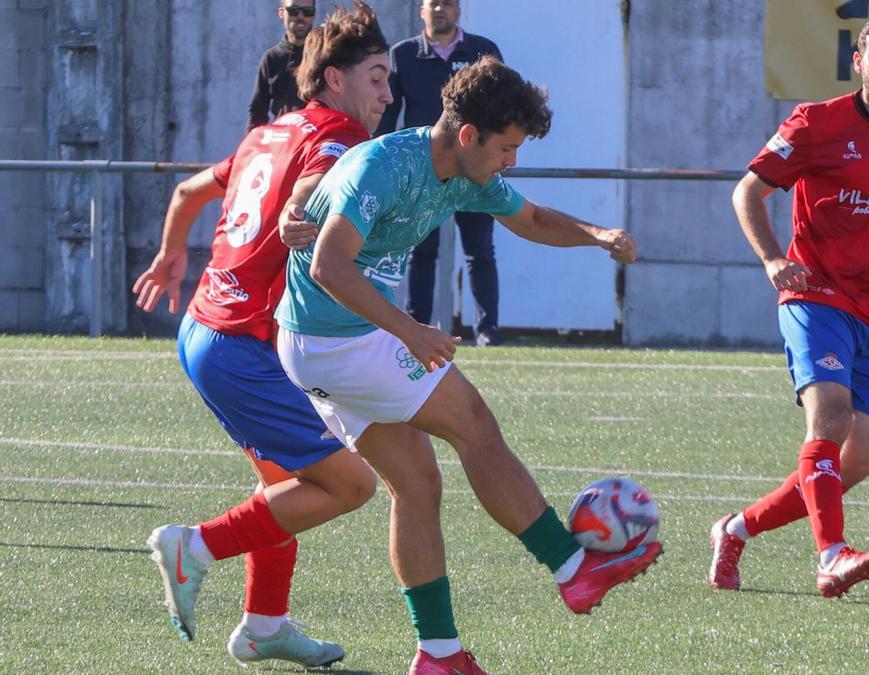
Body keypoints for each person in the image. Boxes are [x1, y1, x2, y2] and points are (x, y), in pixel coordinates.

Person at [273, 55, 660, 674]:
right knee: (473, 423)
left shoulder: (466, 172)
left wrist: (597, 235)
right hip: (338, 340)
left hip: (319, 344)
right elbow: (328, 264)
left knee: (417, 485)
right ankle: (573, 569)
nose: (511, 162)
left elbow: (531, 218)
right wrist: (410, 331)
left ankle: (438, 654)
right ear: (468, 135)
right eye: (506, 148)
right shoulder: (385, 167)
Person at [135, 2, 394, 667]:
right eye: (376, 78)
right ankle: (194, 547)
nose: (387, 96)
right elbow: (313, 183)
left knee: (284, 487)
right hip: (241, 344)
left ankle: (264, 625)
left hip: (204, 328)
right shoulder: (340, 136)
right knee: (351, 485)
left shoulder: (268, 131)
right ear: (334, 79)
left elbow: (187, 193)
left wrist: (171, 255)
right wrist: (302, 207)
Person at [709, 13, 869, 598]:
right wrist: (772, 259)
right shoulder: (815, 122)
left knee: (855, 463)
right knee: (829, 417)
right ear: (858, 61)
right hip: (815, 294)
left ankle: (735, 529)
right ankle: (832, 556)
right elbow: (747, 191)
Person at [377, 0, 506, 346]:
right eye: (433, 3)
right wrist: (382, 163)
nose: (440, 10)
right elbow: (387, 117)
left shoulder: (483, 51)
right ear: (421, 10)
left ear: (458, 10)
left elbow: (502, 109)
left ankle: (487, 330)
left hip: (473, 169)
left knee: (480, 251)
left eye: (447, 3)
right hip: (424, 172)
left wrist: (495, 156)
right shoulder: (402, 55)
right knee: (420, 251)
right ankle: (418, 327)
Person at [247, 0, 317, 131]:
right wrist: (253, 142)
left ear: (313, 15)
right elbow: (257, 111)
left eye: (307, 12)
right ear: (281, 13)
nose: (300, 17)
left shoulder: (324, 55)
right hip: (283, 138)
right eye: (293, 11)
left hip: (317, 138)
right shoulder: (271, 59)